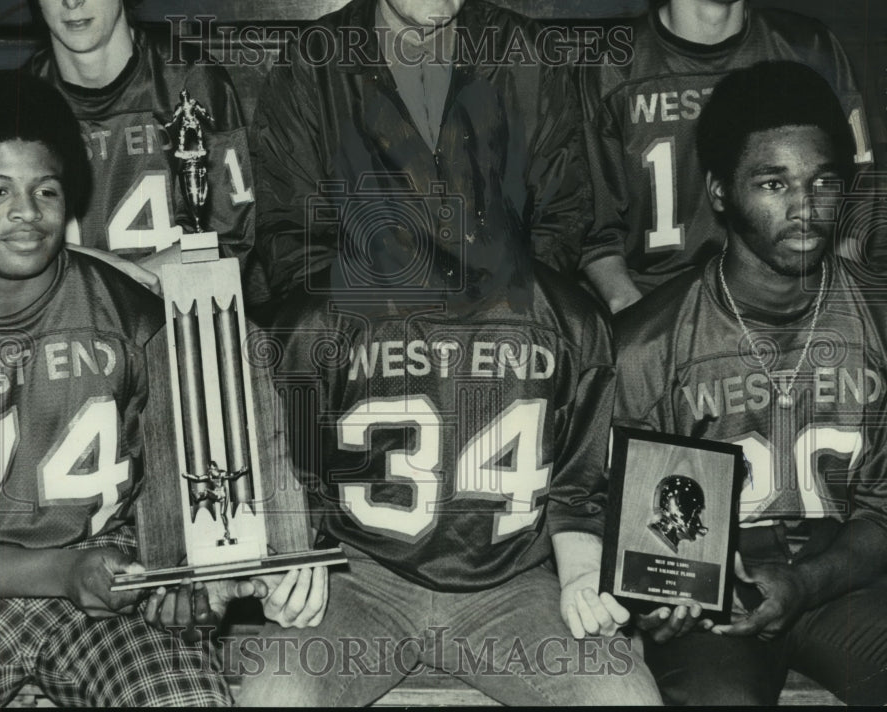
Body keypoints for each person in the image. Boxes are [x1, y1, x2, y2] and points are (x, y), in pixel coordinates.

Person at [0, 71, 321, 707]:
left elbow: (183, 506)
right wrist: (60, 573)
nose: (26, 212)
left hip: (106, 597)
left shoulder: (134, 316)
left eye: (46, 189)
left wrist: (183, 587)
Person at [234, 217, 662, 705]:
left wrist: (583, 571)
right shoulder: (323, 314)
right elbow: (283, 463)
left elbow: (575, 485)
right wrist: (286, 556)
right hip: (358, 574)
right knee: (275, 697)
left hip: (510, 580)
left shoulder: (570, 318)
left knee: (624, 696)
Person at [613, 60, 887, 705]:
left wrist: (806, 583)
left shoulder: (877, 315)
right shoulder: (648, 342)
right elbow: (618, 520)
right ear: (718, 193)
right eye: (772, 183)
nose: (805, 209)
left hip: (846, 581)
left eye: (824, 182)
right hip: (715, 606)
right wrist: (652, 592)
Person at [249, 0, 591, 309]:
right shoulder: (312, 64)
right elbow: (290, 231)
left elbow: (561, 214)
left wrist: (507, 315)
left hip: (505, 327)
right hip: (365, 332)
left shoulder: (525, 54)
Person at [579, 0, 881, 313]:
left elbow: (862, 181)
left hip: (787, 301)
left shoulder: (808, 49)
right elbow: (590, 225)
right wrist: (634, 316)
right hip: (656, 303)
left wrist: (836, 297)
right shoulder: (611, 66)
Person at [21, 0, 254, 291]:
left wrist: (111, 284)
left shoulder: (189, 82)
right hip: (69, 322)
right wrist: (117, 276)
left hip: (178, 315)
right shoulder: (22, 99)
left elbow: (226, 241)